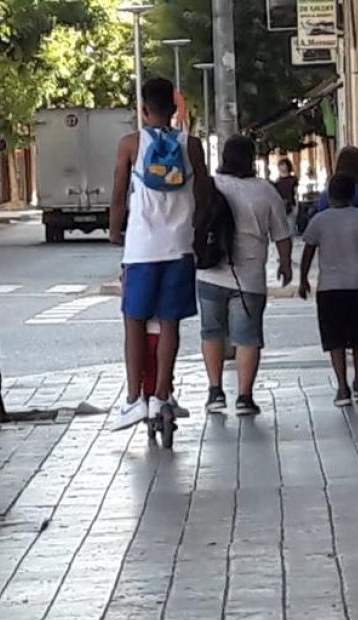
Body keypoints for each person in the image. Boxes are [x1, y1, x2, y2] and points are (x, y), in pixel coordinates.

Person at [109, 77, 211, 432]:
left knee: (134, 321)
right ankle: (162, 394)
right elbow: (205, 194)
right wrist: (194, 231)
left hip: (141, 248)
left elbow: (119, 196)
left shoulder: (130, 145)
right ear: (174, 108)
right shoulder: (192, 146)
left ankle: (135, 398)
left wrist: (114, 230)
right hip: (179, 246)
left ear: (144, 109)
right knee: (170, 322)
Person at [199, 136, 293, 416]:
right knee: (248, 337)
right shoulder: (265, 191)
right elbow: (282, 235)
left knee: (211, 332)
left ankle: (215, 392)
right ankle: (244, 397)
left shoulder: (210, 186)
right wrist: (285, 264)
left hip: (210, 272)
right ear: (251, 158)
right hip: (250, 278)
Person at [299, 172, 358, 407]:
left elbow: (308, 251)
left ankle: (342, 387)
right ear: (353, 194)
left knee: (334, 338)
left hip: (329, 288)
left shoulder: (320, 220)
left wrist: (304, 279)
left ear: (329, 194)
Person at [273, 158, 298, 232]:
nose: (281, 167)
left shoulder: (293, 179)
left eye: (283, 165)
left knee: (291, 229)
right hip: (280, 207)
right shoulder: (277, 182)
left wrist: (296, 207)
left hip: (291, 206)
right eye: (280, 165)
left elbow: (296, 193)